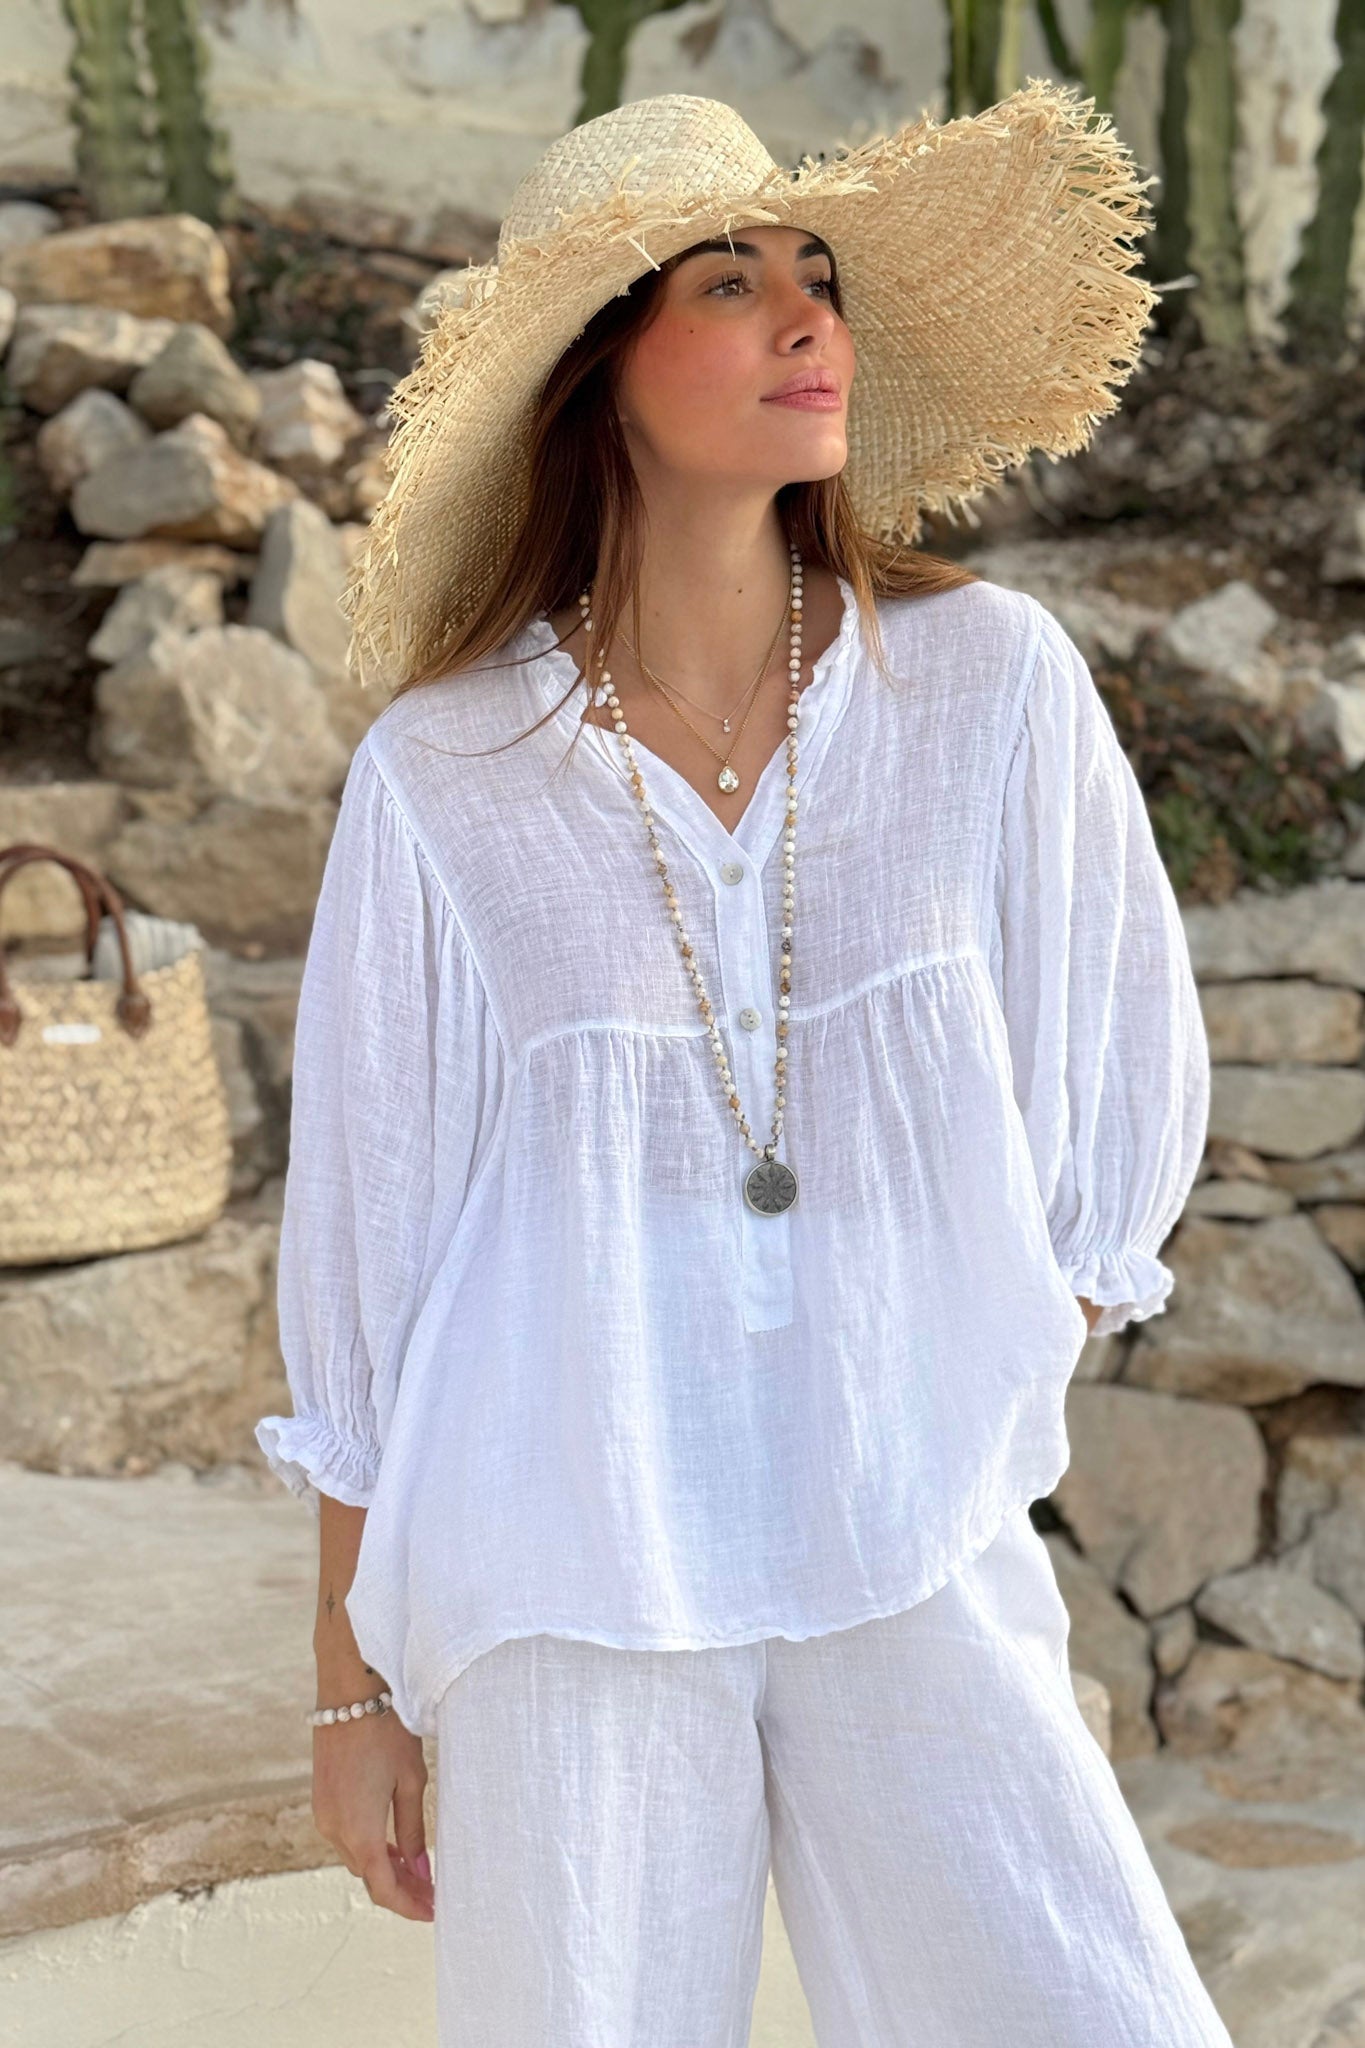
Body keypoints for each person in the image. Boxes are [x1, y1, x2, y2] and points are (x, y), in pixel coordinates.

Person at [256, 86, 1229, 2046]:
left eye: (820, 277)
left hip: (905, 1532)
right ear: (599, 372)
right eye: (729, 281)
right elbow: (373, 1246)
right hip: (565, 1554)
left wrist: (934, 1373)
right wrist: (352, 1686)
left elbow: (1115, 1077)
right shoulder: (448, 773)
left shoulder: (982, 687)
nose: (806, 320)